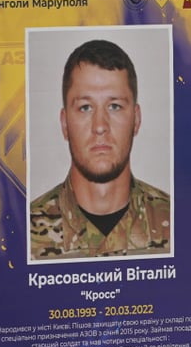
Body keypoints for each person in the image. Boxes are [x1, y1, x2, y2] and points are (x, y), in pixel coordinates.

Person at [29, 39, 170, 260]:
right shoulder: (24, 234)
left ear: (136, 119)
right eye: (85, 107)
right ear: (65, 124)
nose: (100, 126)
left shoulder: (177, 225)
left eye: (114, 106)